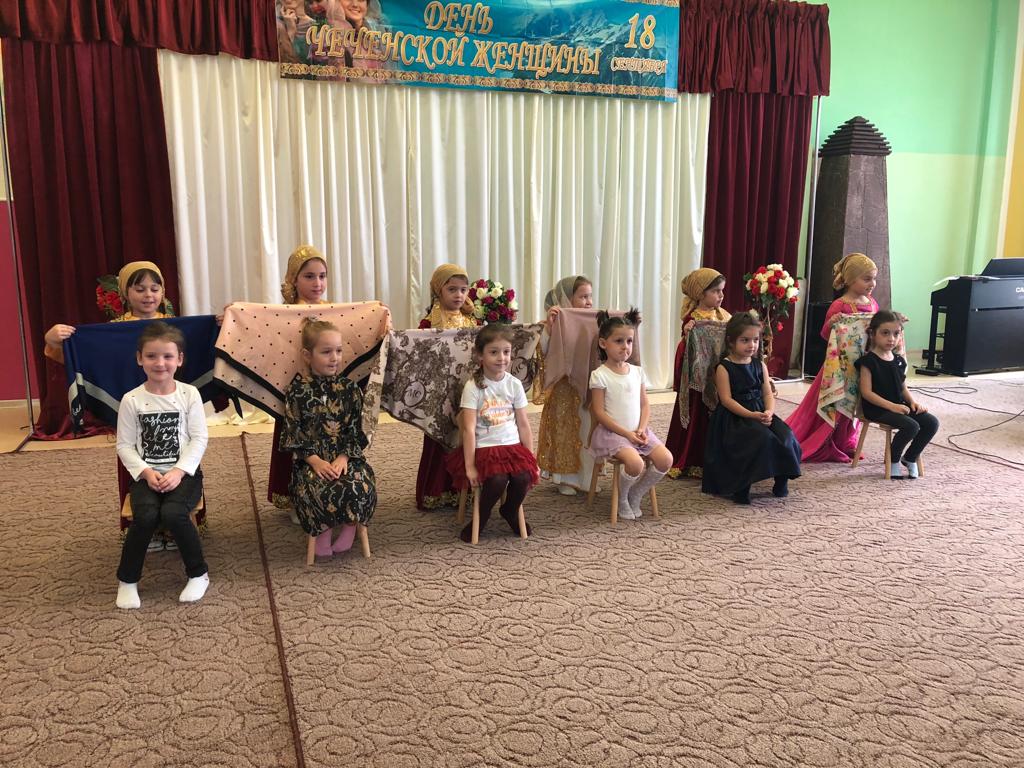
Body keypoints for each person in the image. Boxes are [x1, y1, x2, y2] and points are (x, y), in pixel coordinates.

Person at [115, 322, 209, 609]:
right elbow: (124, 445)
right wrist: (146, 472)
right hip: (147, 476)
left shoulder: (189, 394)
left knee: (173, 513)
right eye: (152, 356)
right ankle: (127, 581)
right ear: (139, 358)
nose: (160, 363)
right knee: (144, 516)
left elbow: (199, 438)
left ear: (179, 359)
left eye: (167, 356)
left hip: (185, 475)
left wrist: (179, 471)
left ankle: (198, 574)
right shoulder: (131, 400)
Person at [281, 319, 377, 561]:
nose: (334, 358)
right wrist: (315, 461)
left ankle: (349, 527)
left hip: (346, 457)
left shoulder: (350, 389)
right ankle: (322, 530)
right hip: (312, 460)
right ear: (307, 355)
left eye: (338, 351)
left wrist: (344, 457)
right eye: (326, 352)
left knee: (359, 485)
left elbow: (357, 430)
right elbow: (293, 432)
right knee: (314, 488)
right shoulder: (297, 392)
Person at [446, 324, 538, 542]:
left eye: (506, 352)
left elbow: (524, 424)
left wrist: (531, 457)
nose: (501, 358)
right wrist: (470, 466)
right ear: (480, 355)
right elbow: (468, 429)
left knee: (523, 477)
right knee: (497, 479)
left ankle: (509, 510)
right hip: (485, 448)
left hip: (512, 446)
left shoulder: (514, 385)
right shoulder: (474, 387)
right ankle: (483, 515)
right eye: (494, 352)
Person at [786, 253, 879, 462]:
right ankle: (829, 442)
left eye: (874, 279)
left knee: (855, 404)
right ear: (850, 280)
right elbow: (826, 334)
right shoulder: (840, 305)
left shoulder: (872, 303)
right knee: (837, 403)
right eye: (867, 279)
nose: (872, 284)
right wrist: (832, 323)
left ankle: (847, 440)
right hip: (840, 366)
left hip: (864, 365)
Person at [702, 312, 802, 504]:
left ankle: (781, 479)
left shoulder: (759, 365)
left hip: (760, 412)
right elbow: (726, 400)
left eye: (755, 340)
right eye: (745, 340)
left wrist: (769, 411)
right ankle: (741, 486)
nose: (752, 345)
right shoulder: (724, 368)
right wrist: (751, 415)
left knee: (786, 436)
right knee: (759, 439)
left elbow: (767, 394)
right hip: (735, 417)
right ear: (731, 341)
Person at [588, 309, 672, 520]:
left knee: (666, 460)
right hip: (613, 434)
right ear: (603, 343)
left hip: (639, 431)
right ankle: (622, 497)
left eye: (629, 341)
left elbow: (645, 404)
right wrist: (626, 434)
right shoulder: (600, 375)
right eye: (619, 341)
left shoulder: (637, 372)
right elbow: (598, 412)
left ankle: (636, 492)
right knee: (636, 464)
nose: (625, 346)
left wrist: (641, 428)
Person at [268, 245, 331, 514]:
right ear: (294, 279)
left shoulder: (335, 311)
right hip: (295, 393)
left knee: (327, 439)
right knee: (295, 440)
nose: (318, 283)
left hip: (327, 393)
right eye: (309, 276)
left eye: (322, 276)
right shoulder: (283, 314)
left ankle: (328, 494)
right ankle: (296, 500)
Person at [415, 263, 480, 510]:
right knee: (438, 440)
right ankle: (434, 492)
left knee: (465, 437)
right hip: (439, 392)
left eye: (463, 290)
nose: (458, 295)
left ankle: (460, 492)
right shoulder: (427, 323)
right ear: (438, 290)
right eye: (452, 289)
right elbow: (420, 354)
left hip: (466, 390)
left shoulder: (471, 320)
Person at [855, 310, 938, 479]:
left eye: (896, 334)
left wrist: (912, 402)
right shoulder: (868, 361)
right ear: (873, 334)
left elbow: (902, 387)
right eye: (885, 333)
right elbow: (866, 392)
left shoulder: (898, 360)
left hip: (898, 406)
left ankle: (910, 457)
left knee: (931, 422)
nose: (891, 339)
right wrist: (892, 406)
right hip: (877, 409)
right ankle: (893, 460)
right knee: (911, 426)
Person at [666, 268, 731, 478]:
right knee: (696, 415)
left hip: (717, 375)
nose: (721, 295)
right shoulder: (692, 319)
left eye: (722, 291)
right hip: (698, 378)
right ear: (701, 294)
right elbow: (687, 350)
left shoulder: (725, 316)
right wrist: (688, 333)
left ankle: (711, 458)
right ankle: (690, 459)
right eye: (716, 291)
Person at [536, 275, 597, 495]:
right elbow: (543, 352)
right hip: (563, 388)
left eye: (590, 296)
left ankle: (587, 477)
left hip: (587, 385)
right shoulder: (551, 323)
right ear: (567, 299)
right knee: (565, 429)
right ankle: (565, 478)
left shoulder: (593, 322)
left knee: (587, 428)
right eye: (583, 297)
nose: (589, 302)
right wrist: (550, 329)